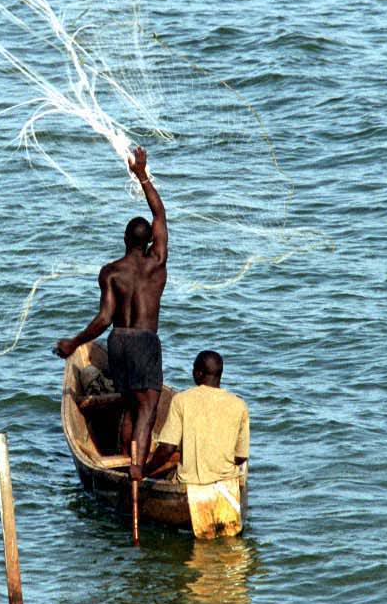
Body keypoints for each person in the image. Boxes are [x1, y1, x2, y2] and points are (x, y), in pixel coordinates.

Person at [54, 146, 167, 482]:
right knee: (147, 409)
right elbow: (160, 215)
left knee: (131, 403)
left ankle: (123, 461)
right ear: (150, 242)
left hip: (118, 342)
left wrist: (74, 343)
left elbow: (104, 319)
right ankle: (136, 472)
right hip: (145, 342)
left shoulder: (111, 272)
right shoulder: (157, 263)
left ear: (124, 240)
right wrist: (142, 175)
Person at [145, 350, 249, 487]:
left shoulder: (181, 400)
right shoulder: (239, 405)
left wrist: (144, 471)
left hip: (190, 484)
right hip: (227, 484)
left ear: (198, 373)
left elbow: (167, 449)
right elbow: (241, 457)